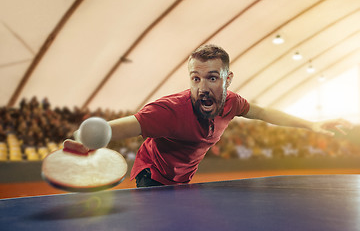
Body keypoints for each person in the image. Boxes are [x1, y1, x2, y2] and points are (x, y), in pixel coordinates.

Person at [64, 44, 352, 187]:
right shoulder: (169, 111)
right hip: (153, 175)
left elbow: (263, 112)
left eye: (212, 78)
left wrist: (311, 123)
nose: (202, 88)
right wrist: (85, 140)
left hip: (182, 179)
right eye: (196, 79)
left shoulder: (232, 104)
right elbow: (126, 125)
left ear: (227, 80)